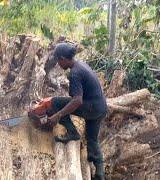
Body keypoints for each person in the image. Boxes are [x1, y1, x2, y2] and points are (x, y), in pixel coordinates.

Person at [48, 42, 107, 180]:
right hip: (101, 108)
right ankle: (100, 173)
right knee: (92, 139)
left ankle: (73, 132)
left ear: (63, 58)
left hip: (92, 108)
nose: (58, 63)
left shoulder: (75, 73)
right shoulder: (81, 64)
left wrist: (58, 115)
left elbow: (77, 101)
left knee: (56, 102)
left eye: (58, 60)